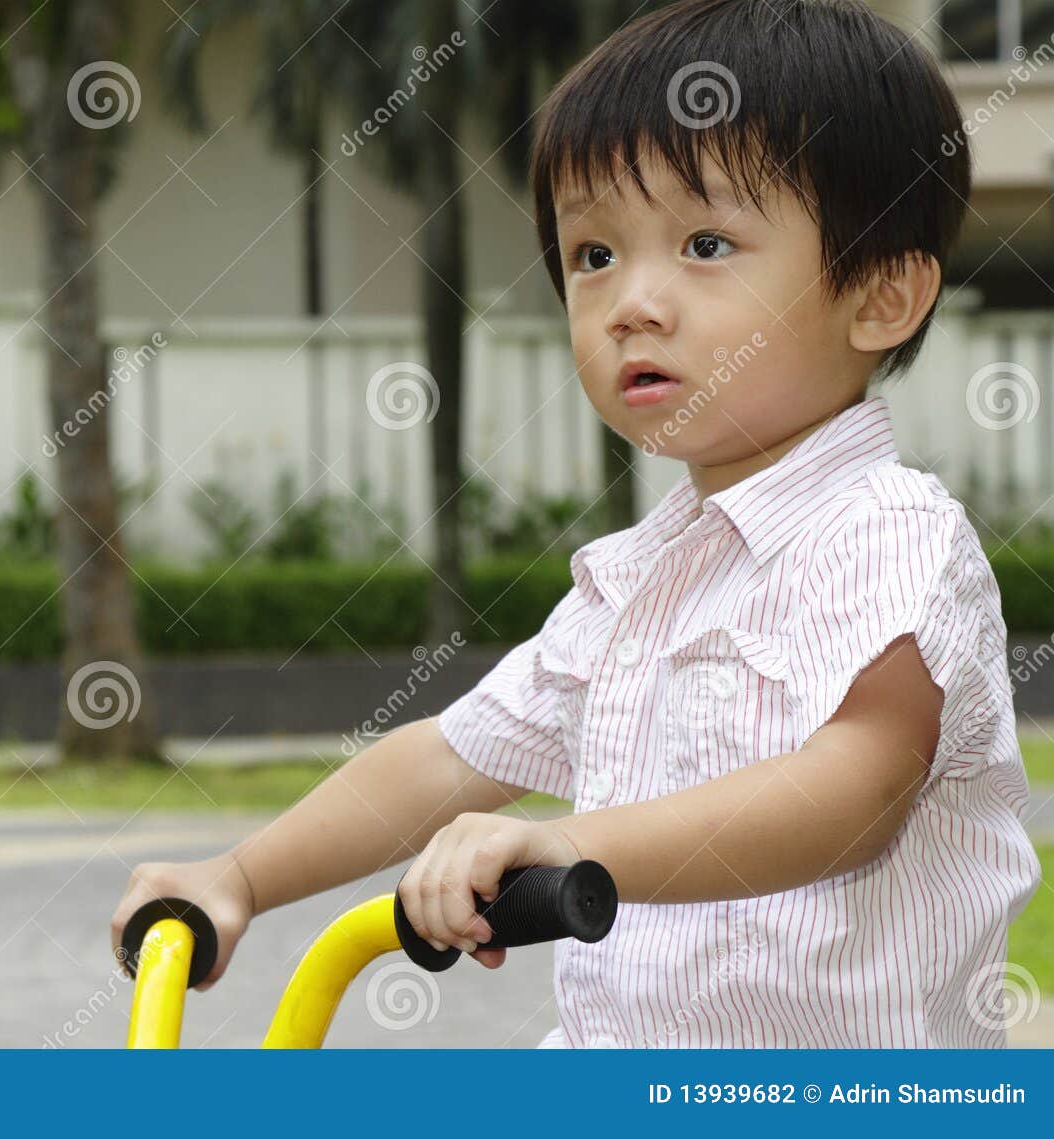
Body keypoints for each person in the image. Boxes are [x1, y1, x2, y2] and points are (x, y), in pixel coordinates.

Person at [111, 0, 1041, 1047]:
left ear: (877, 295)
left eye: (703, 242)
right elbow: (446, 757)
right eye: (593, 254)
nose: (630, 302)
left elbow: (855, 789)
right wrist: (240, 874)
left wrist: (571, 840)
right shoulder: (637, 580)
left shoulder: (888, 533)